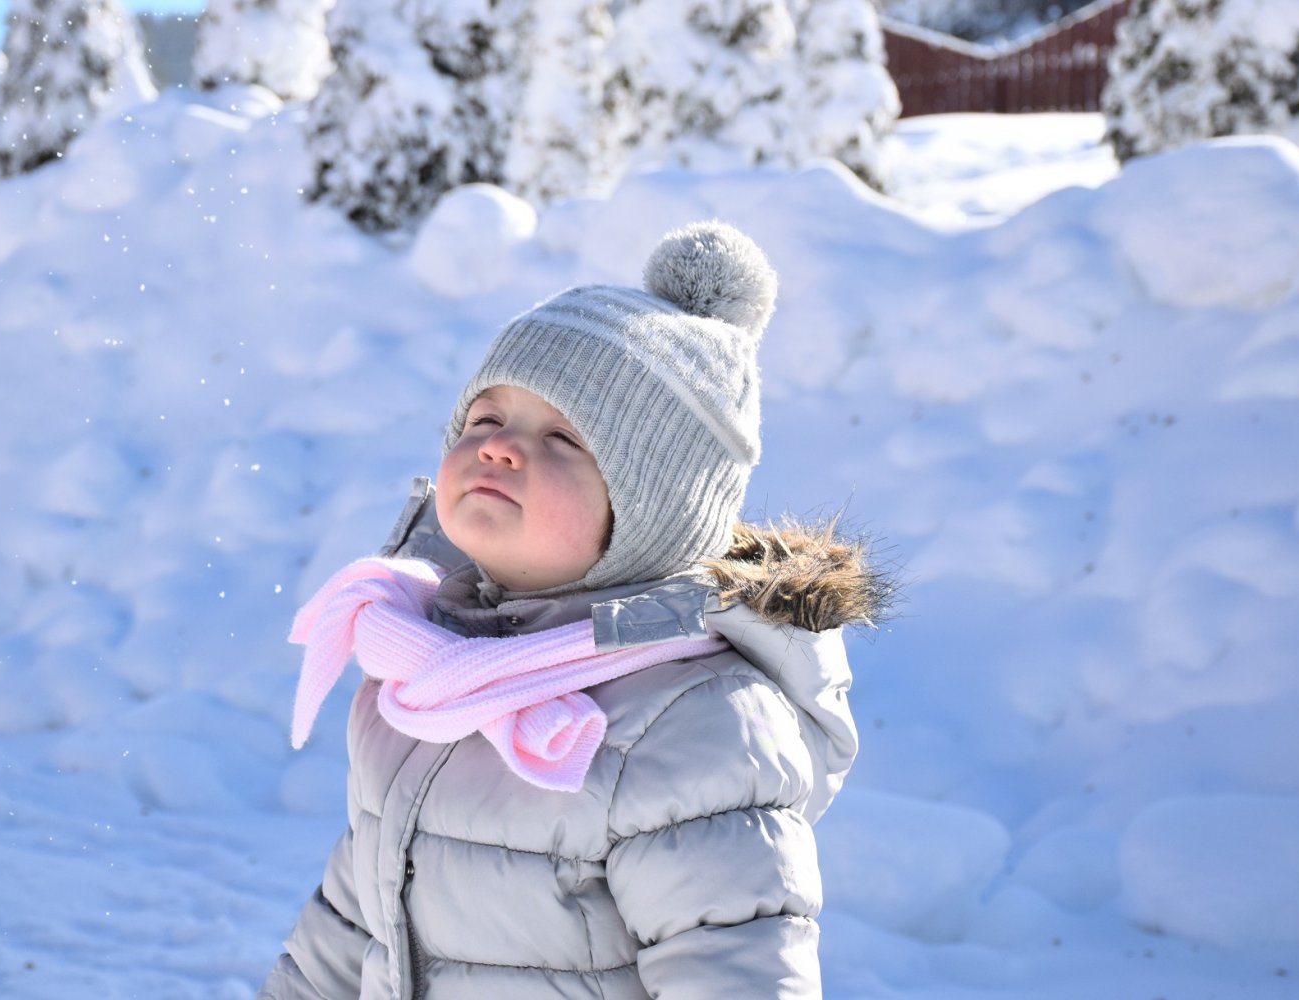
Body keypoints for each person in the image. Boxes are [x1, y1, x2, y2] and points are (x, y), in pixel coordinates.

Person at [259, 221, 886, 999]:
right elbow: (354, 919)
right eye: (486, 420)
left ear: (652, 512)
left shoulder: (692, 722)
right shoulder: (426, 669)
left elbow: (734, 971)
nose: (499, 447)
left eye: (563, 438)